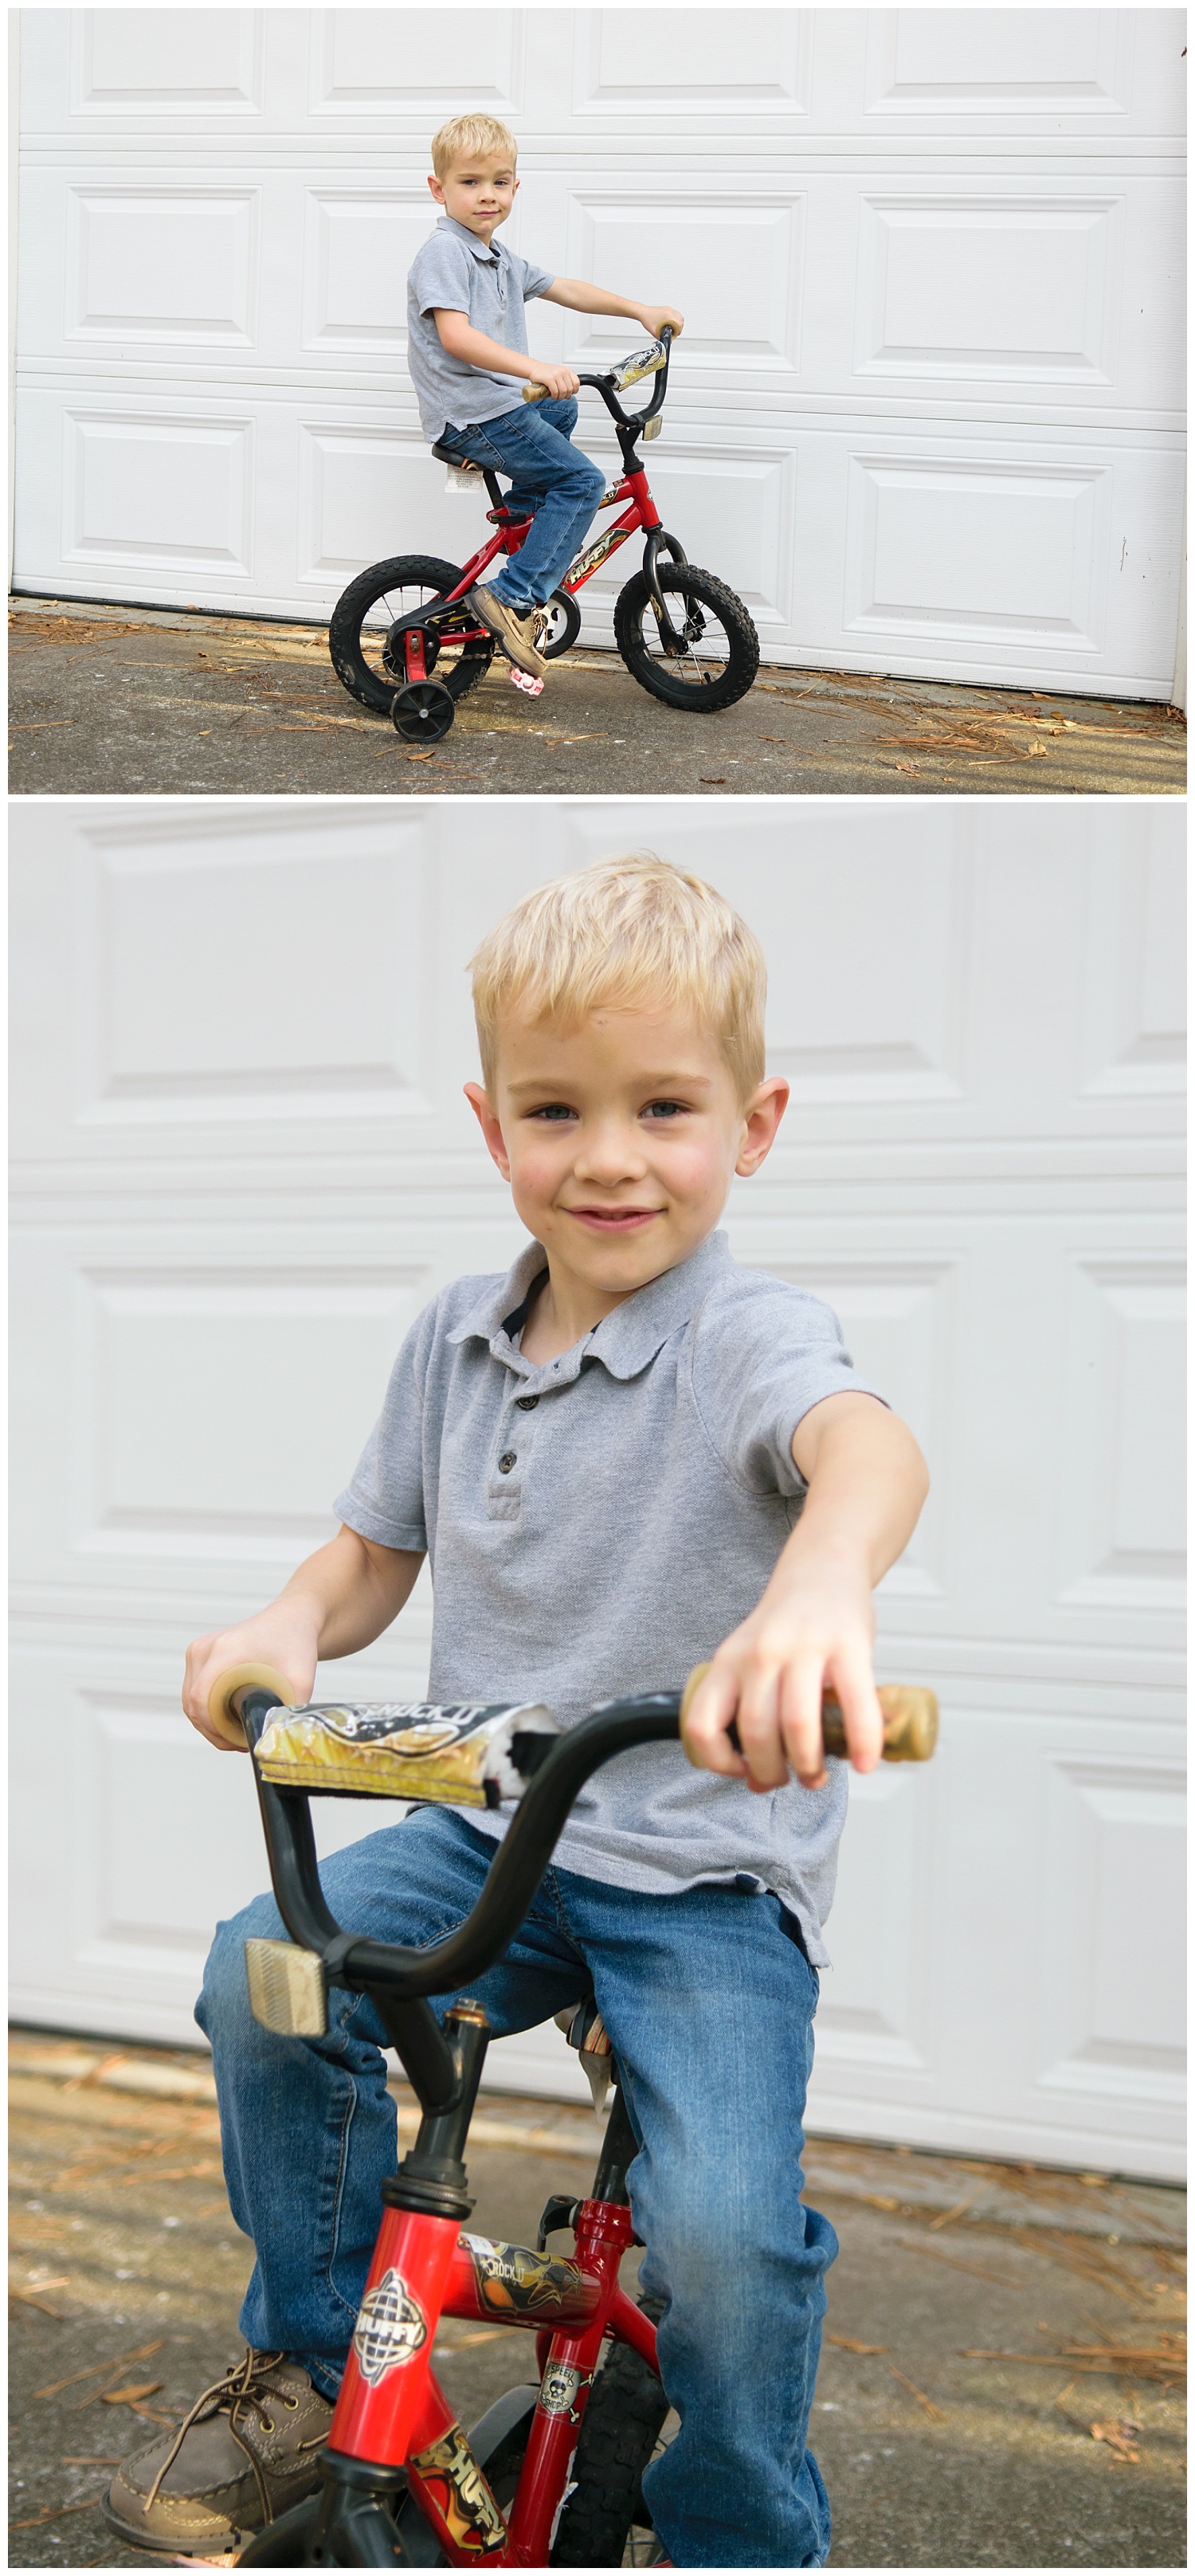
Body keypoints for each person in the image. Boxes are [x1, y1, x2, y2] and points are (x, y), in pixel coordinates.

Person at [104, 854, 928, 2566]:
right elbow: (366, 1555)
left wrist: (819, 1589)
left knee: (716, 2236)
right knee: (264, 1975)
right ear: (494, 1128)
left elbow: (865, 1447)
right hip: (492, 1838)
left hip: (700, 1881)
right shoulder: (452, 1342)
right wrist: (287, 1618)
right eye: (558, 1109)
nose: (610, 1155)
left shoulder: (754, 1335)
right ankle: (326, 2369)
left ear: (755, 1122)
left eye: (665, 1107)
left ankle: (740, 2523)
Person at [407, 113, 684, 679]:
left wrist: (640, 310)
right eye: (470, 182)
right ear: (438, 189)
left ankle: (526, 524)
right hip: (471, 415)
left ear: (515, 186)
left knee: (562, 406)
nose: (488, 195)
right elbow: (457, 337)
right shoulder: (444, 253)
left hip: (496, 407)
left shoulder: (500, 256)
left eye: (501, 182)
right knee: (581, 483)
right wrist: (536, 366)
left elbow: (565, 289)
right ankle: (512, 598)